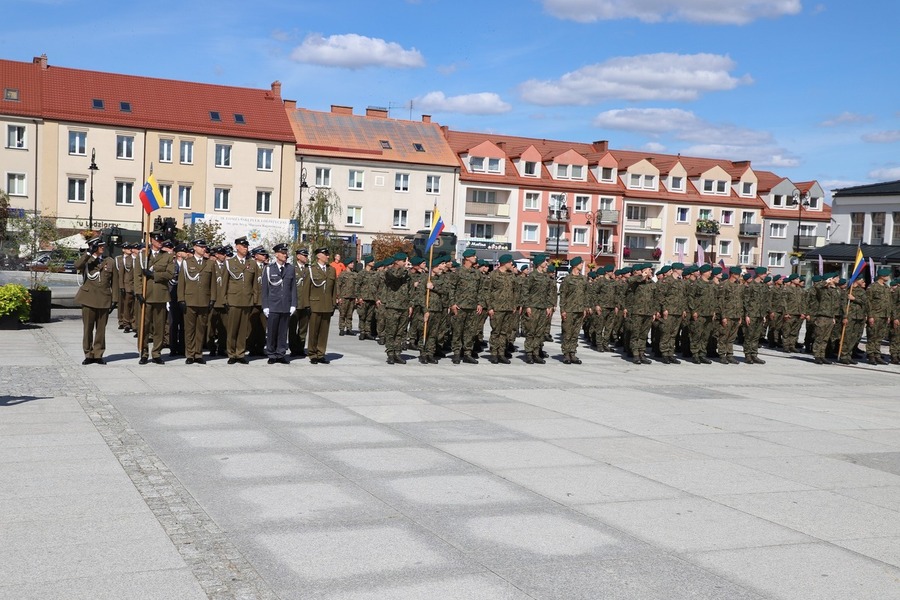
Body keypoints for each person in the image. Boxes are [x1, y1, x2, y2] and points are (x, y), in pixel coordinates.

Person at [134, 232, 175, 364]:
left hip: (160, 295)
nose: (160, 242)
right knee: (144, 326)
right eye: (158, 240)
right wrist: (139, 292)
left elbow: (170, 274)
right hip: (146, 295)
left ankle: (156, 353)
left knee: (159, 326)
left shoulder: (167, 256)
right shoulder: (143, 255)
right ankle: (144, 352)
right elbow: (137, 275)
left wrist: (153, 274)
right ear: (152, 240)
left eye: (162, 240)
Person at [74, 238, 116, 364]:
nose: (102, 247)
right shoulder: (87, 261)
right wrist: (88, 253)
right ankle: (88, 353)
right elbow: (77, 265)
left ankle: (98, 354)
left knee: (101, 329)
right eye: (99, 246)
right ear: (93, 246)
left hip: (104, 298)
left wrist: (115, 299)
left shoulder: (109, 261)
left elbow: (115, 281)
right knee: (88, 328)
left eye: (103, 245)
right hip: (88, 298)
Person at [177, 239, 215, 364]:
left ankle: (198, 354)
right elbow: (181, 282)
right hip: (190, 300)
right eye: (201, 247)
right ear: (195, 247)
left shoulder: (209, 263)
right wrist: (181, 299)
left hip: (204, 300)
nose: (204, 249)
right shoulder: (187, 263)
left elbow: (213, 283)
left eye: (205, 247)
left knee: (201, 329)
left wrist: (212, 299)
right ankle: (190, 353)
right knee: (189, 329)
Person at [223, 237, 259, 364]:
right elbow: (225, 283)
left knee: (243, 329)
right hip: (233, 299)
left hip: (247, 300)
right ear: (237, 247)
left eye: (247, 246)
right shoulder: (229, 263)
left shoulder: (252, 263)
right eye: (243, 246)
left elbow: (255, 284)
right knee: (232, 328)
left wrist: (255, 299)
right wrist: (224, 299)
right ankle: (231, 353)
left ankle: (240, 353)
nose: (246, 248)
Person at [262, 243, 296, 364]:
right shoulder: (269, 269)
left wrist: (293, 304)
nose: (285, 255)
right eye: (282, 253)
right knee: (272, 332)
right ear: (276, 254)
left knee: (283, 332)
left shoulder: (290, 268)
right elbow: (265, 289)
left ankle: (281, 353)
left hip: (285, 305)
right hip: (273, 305)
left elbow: (293, 288)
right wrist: (265, 306)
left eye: (286, 253)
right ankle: (271, 354)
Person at [302, 247, 337, 363]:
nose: (328, 256)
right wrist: (307, 305)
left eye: (328, 254)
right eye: (325, 254)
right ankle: (312, 354)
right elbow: (306, 289)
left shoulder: (331, 270)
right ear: (318, 256)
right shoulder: (311, 270)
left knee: (324, 331)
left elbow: (334, 289)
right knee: (313, 331)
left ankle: (321, 353)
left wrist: (333, 304)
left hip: (327, 305)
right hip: (315, 304)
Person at [380, 252, 412, 364]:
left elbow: (410, 289)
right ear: (397, 261)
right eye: (404, 261)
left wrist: (410, 304)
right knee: (391, 331)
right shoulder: (389, 272)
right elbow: (396, 276)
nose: (405, 263)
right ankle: (390, 353)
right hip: (393, 306)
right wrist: (405, 269)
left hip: (404, 306)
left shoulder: (406, 273)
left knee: (400, 332)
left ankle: (397, 353)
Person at [289, 248, 311, 357]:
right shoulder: (291, 269)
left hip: (306, 303)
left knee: (303, 328)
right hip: (294, 303)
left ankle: (300, 348)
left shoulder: (308, 270)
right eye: (304, 256)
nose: (306, 258)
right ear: (298, 256)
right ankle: (293, 349)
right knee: (292, 328)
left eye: (306, 256)